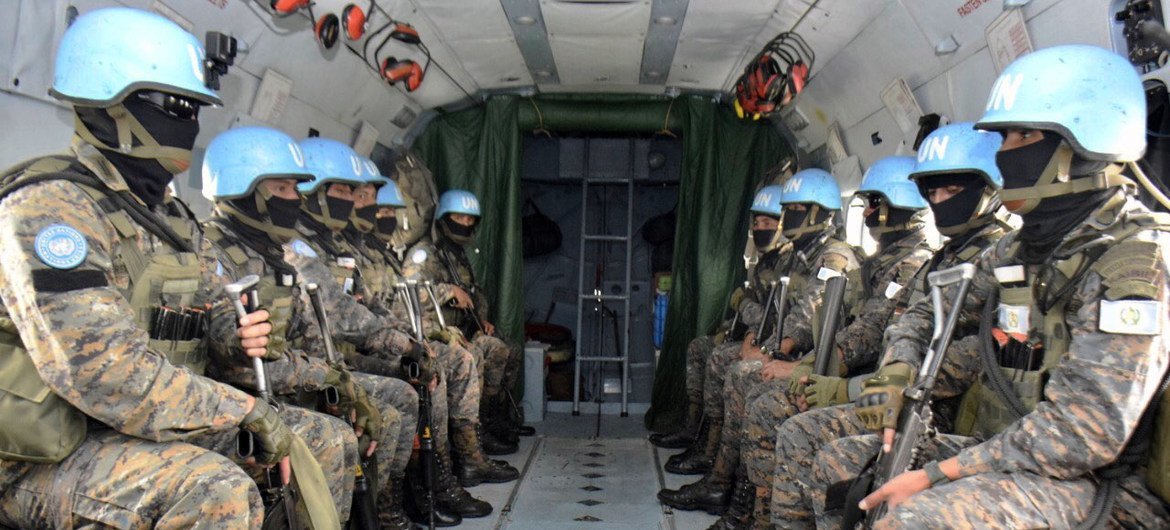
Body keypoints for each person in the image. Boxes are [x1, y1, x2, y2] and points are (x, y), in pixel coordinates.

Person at [812, 45, 1170, 529]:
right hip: (1008, 454)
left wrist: (939, 473)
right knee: (833, 463)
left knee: (915, 519)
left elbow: (1083, 436)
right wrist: (897, 370)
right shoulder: (1019, 248)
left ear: (1084, 144)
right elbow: (928, 311)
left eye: (1023, 135)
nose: (1005, 154)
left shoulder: (1136, 262)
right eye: (1004, 138)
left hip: (1099, 486)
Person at [0, 8, 294, 528]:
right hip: (41, 454)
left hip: (130, 427)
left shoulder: (170, 217)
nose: (190, 124)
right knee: (214, 490)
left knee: (313, 437)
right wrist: (242, 410)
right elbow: (104, 374)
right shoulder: (51, 210)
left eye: (195, 108)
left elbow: (209, 309)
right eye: (174, 107)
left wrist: (236, 336)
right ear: (109, 105)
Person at [766, 122, 1011, 529]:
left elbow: (971, 357)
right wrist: (823, 367)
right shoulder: (947, 258)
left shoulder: (989, 256)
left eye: (951, 191)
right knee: (797, 422)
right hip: (899, 392)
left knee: (808, 435)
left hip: (942, 409)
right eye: (932, 192)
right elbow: (899, 325)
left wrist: (846, 389)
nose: (938, 201)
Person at [201, 125, 436, 527]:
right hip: (233, 395)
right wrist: (330, 378)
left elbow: (313, 333)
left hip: (284, 381)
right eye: (284, 188)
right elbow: (235, 357)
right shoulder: (212, 256)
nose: (296, 200)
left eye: (297, 188)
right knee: (333, 435)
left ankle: (382, 513)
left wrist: (340, 381)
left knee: (381, 407)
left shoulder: (276, 256)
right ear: (245, 189)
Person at [285, 138, 511, 524]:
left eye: (362, 196)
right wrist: (409, 342)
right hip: (331, 361)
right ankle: (404, 500)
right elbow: (348, 316)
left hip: (354, 352)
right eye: (346, 192)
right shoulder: (302, 250)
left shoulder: (359, 248)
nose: (369, 208)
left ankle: (434, 481)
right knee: (413, 391)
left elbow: (375, 306)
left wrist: (418, 341)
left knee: (442, 365)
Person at [721, 156, 936, 528]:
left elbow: (870, 335)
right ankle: (745, 504)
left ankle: (758, 514)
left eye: (875, 203)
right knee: (756, 389)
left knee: (777, 412)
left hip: (888, 390)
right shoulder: (875, 263)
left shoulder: (910, 264)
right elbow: (847, 323)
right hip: (851, 375)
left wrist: (822, 377)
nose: (868, 213)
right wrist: (809, 369)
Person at [660, 171, 861, 527]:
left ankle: (745, 503)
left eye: (796, 209)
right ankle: (723, 479)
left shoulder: (833, 258)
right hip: (802, 355)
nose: (788, 218)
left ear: (820, 212)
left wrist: (770, 354)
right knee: (730, 364)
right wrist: (761, 345)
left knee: (745, 376)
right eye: (789, 210)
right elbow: (777, 314)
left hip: (824, 364)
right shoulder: (800, 257)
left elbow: (802, 320)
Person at [663, 185, 794, 476]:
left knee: (722, 360)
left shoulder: (790, 262)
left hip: (783, 348)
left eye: (768, 224)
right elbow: (760, 317)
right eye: (757, 223)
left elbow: (776, 320)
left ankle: (715, 458)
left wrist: (745, 306)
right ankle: (695, 431)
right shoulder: (764, 261)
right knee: (700, 346)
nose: (761, 229)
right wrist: (746, 331)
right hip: (758, 338)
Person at [403, 189, 534, 458]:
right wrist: (447, 291)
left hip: (461, 329)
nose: (464, 224)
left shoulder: (458, 255)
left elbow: (473, 293)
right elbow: (410, 294)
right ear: (444, 218)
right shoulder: (425, 253)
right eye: (458, 217)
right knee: (478, 355)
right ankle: (470, 440)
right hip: (434, 333)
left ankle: (490, 421)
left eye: (469, 219)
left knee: (507, 348)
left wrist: (481, 320)